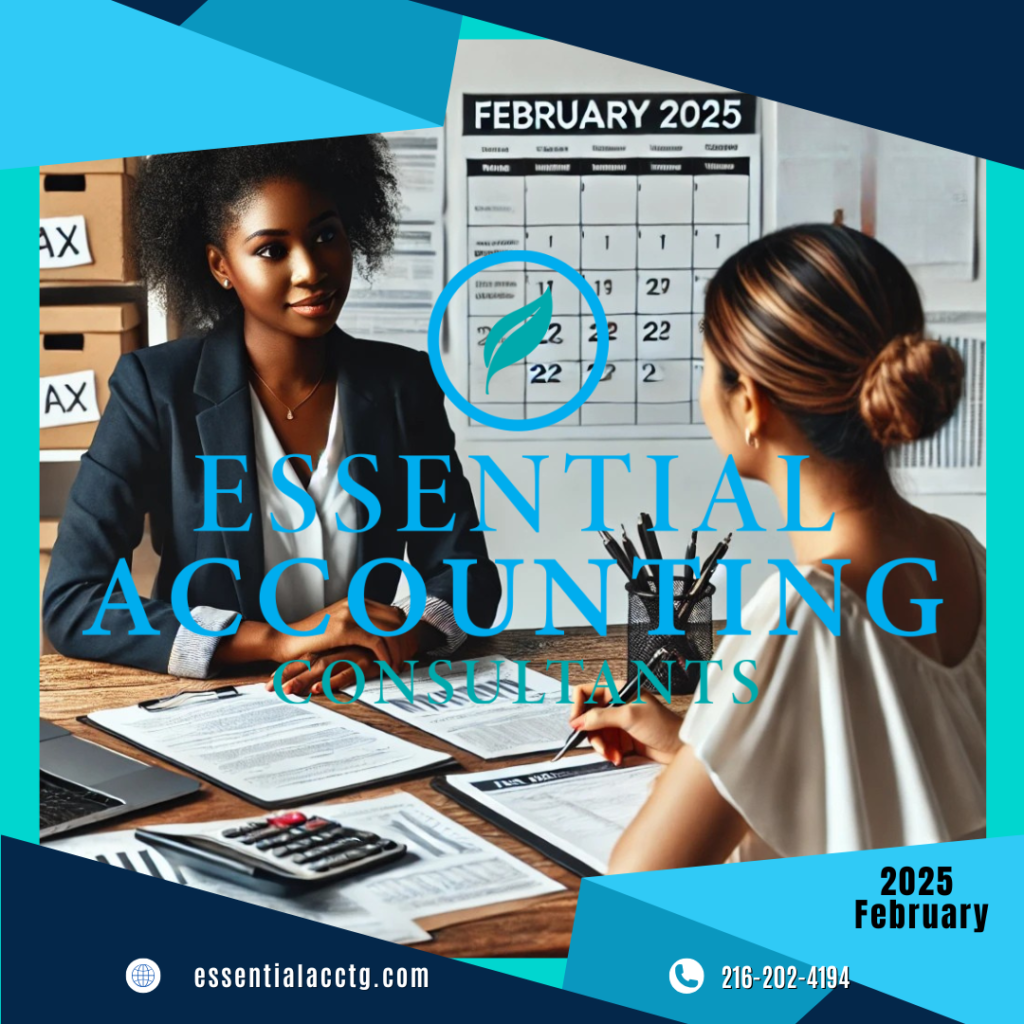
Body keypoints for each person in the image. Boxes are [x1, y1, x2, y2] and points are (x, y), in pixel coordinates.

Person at [569, 224, 985, 869]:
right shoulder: (969, 558)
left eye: (707, 368)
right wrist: (699, 747)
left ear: (752, 405)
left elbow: (639, 884)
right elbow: (900, 793)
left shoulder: (800, 614)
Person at [44, 138, 501, 693]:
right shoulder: (155, 390)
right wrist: (282, 641)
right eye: (271, 250)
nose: (311, 270)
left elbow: (465, 574)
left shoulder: (402, 384)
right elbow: (75, 599)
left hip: (367, 697)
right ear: (221, 266)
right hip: (213, 708)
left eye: (325, 236)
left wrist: (393, 643)